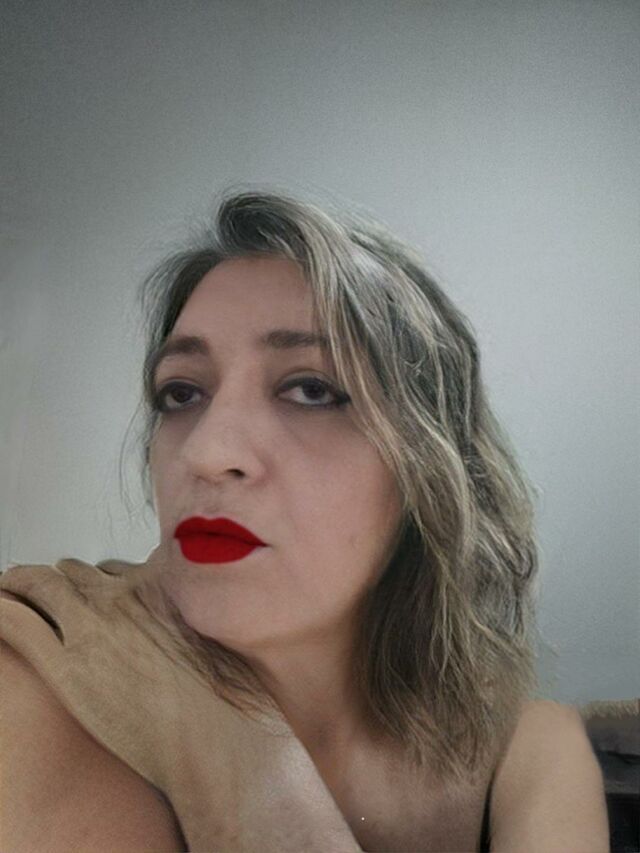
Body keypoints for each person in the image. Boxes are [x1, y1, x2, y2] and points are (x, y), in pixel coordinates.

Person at [0, 189, 609, 851]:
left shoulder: (517, 738)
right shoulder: (42, 678)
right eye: (182, 393)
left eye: (311, 389)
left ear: (429, 467)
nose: (205, 451)